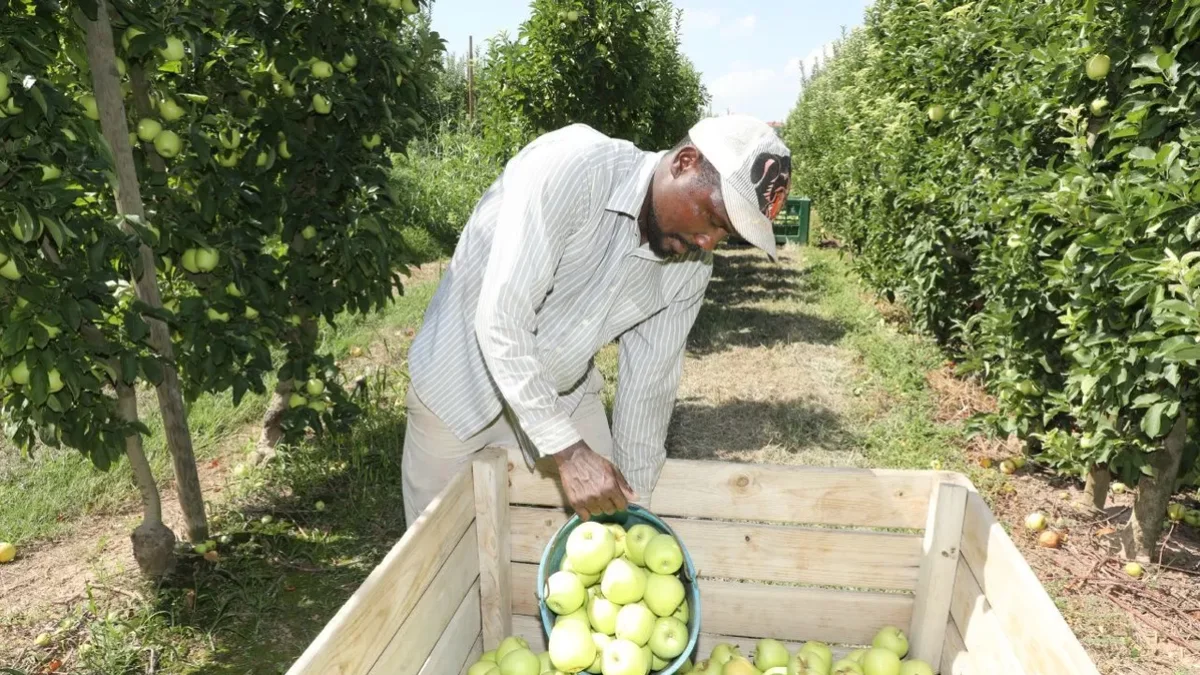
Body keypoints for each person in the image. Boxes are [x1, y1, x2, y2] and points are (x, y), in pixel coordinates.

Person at [402, 114, 792, 525]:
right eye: (712, 218)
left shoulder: (691, 266)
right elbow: (502, 319)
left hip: (562, 389)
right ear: (685, 161)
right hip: (459, 385)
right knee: (442, 561)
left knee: (601, 536)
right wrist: (569, 452)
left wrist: (638, 512)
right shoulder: (573, 168)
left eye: (725, 234)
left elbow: (649, 387)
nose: (707, 241)